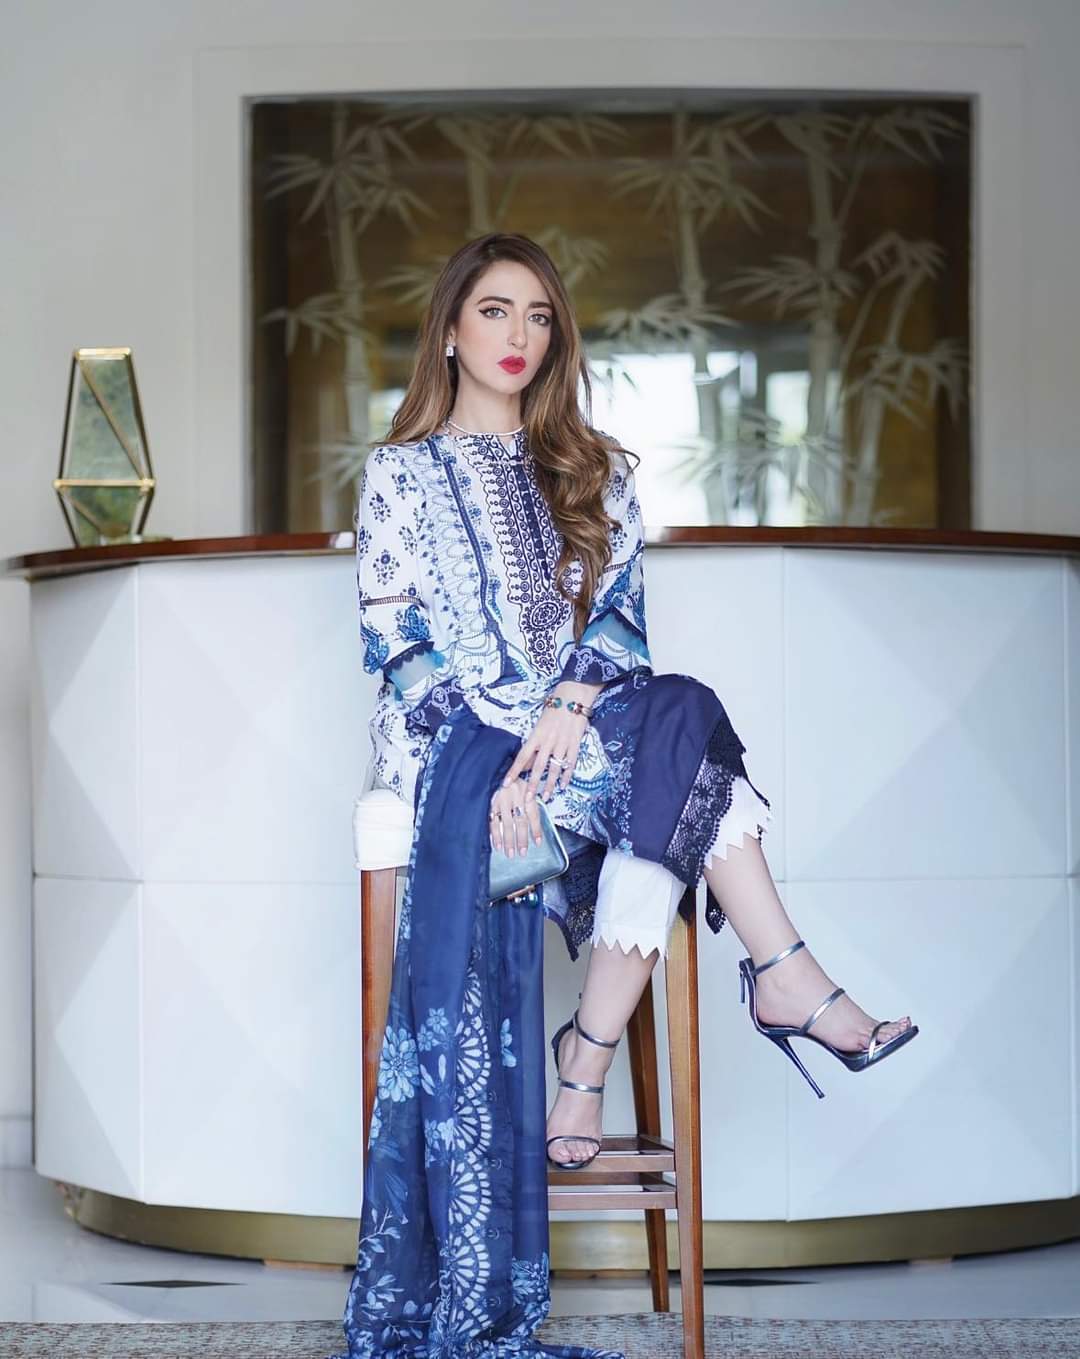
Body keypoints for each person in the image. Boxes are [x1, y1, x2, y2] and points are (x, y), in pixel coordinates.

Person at [355, 231, 918, 1172]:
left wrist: (570, 702)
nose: (518, 336)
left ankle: (598, 1051)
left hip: (574, 735)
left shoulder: (593, 468)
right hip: (452, 745)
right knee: (687, 767)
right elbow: (393, 639)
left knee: (676, 726)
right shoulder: (397, 471)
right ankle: (750, 993)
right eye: (494, 311)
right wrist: (491, 761)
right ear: (449, 329)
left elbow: (621, 617)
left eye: (539, 317)